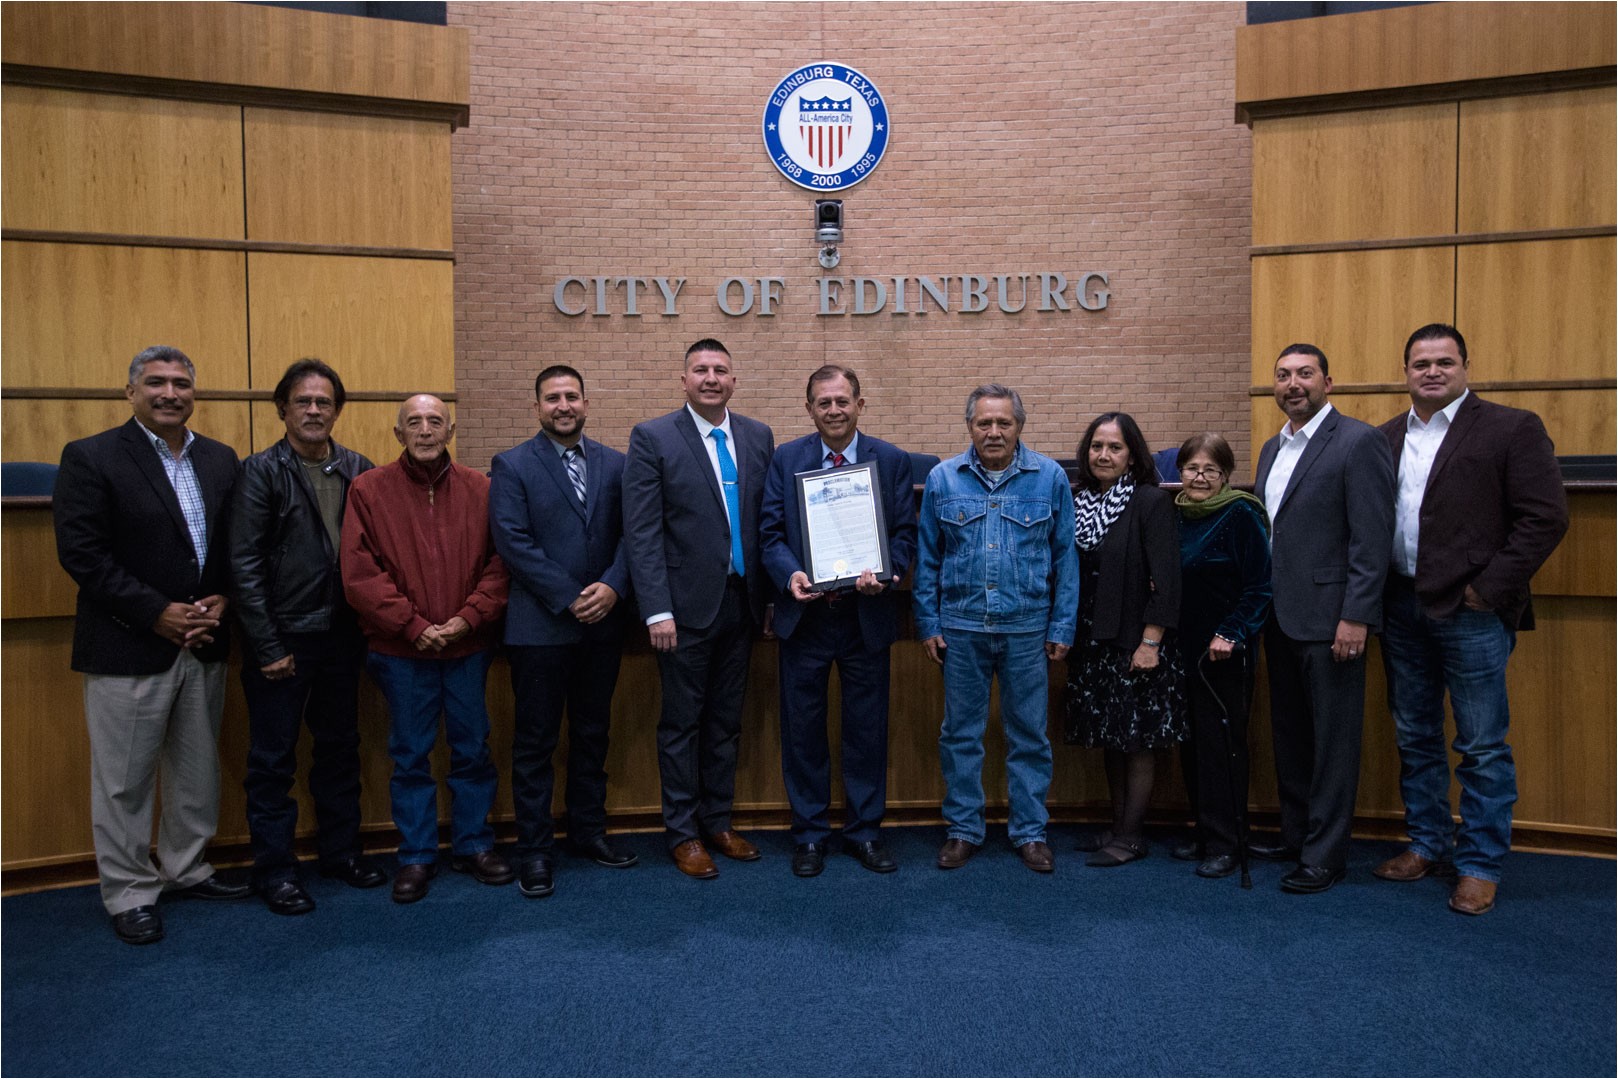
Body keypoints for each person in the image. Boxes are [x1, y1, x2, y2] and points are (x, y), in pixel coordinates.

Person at [53, 345, 250, 945]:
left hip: (204, 640)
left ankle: (187, 868)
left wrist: (223, 598)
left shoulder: (220, 459)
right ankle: (130, 891)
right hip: (127, 645)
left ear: (195, 393)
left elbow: (230, 547)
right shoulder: (91, 457)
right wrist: (155, 612)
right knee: (124, 780)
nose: (170, 393)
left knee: (195, 770)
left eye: (181, 384)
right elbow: (83, 555)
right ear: (131, 391)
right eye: (156, 382)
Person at [1374, 324, 1568, 916]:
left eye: (1444, 362)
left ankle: (1480, 864)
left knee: (1481, 744)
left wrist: (1488, 590)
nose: (1432, 371)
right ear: (1405, 371)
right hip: (1400, 606)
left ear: (1465, 367)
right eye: (1420, 363)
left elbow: (1544, 517)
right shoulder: (1383, 438)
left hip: (1471, 611)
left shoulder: (1511, 428)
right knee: (1415, 734)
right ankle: (1428, 844)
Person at [341, 394, 513, 903]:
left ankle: (474, 844)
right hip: (400, 652)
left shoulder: (483, 489)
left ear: (450, 430)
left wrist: (467, 618)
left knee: (472, 750)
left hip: (468, 647)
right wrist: (412, 625)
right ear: (398, 434)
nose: (424, 430)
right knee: (411, 756)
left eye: (434, 421)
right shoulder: (368, 490)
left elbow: (501, 563)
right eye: (413, 422)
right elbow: (358, 573)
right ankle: (416, 856)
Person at [231, 359, 385, 916]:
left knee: (340, 750)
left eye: (324, 402)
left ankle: (340, 854)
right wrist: (267, 646)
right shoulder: (260, 471)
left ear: (337, 410)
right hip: (284, 640)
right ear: (283, 409)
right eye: (303, 402)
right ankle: (274, 871)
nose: (314, 410)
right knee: (272, 762)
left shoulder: (358, 468)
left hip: (342, 639)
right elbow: (244, 565)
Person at [623, 339, 775, 878]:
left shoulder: (758, 437)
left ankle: (718, 821)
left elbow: (768, 524)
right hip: (682, 612)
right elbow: (641, 533)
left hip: (743, 605)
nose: (711, 378)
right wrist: (655, 609)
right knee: (682, 725)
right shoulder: (653, 437)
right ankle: (683, 833)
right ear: (683, 378)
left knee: (726, 723)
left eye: (721, 370)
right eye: (700, 369)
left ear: (734, 380)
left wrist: (772, 599)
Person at [759, 365, 918, 877]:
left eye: (842, 401)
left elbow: (904, 536)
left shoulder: (890, 460)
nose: (833, 410)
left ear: (859, 405)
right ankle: (808, 835)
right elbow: (770, 534)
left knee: (866, 731)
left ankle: (864, 833)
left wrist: (886, 574)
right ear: (809, 408)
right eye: (823, 402)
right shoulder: (786, 460)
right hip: (805, 618)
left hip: (864, 616)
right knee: (802, 731)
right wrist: (791, 575)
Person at [914, 384, 1079, 873]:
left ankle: (1029, 832)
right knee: (960, 734)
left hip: (1027, 629)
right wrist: (927, 621)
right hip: (961, 629)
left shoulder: (1049, 478)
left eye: (1003, 423)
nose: (993, 431)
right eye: (983, 423)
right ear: (970, 426)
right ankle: (964, 829)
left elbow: (1065, 558)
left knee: (1029, 734)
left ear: (1018, 426)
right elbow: (927, 558)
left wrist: (1063, 624)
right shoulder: (943, 478)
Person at [489, 365, 637, 900]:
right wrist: (571, 595)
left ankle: (589, 833)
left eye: (571, 396)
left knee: (593, 735)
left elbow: (632, 535)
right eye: (552, 398)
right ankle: (534, 850)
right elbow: (512, 541)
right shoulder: (511, 465)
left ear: (586, 403)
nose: (563, 405)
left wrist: (614, 587)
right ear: (537, 408)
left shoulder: (617, 465)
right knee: (535, 743)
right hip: (541, 628)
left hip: (603, 625)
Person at [1253, 343, 1395, 894]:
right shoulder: (1271, 448)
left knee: (1334, 743)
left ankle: (1327, 854)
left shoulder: (1359, 442)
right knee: (1291, 736)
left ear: (1328, 383)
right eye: (1283, 374)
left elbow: (1371, 538)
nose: (1293, 384)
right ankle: (1297, 835)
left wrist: (1357, 616)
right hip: (1280, 616)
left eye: (1305, 374)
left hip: (1333, 619)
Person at [1064, 413, 1184, 868]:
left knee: (1137, 742)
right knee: (1112, 737)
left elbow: (1168, 581)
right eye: (1097, 446)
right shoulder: (1078, 502)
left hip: (1137, 643)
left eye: (1115, 447)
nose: (1104, 455)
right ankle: (1117, 826)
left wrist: (1150, 642)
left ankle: (1132, 836)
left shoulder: (1151, 502)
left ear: (1132, 454)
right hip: (1094, 641)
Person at [1173, 433, 1272, 880]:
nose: (1199, 477)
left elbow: (1260, 586)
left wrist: (1231, 632)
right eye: (1192, 468)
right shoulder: (1175, 515)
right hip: (1182, 646)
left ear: (1226, 476)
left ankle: (1227, 841)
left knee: (1220, 746)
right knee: (1191, 744)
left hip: (1225, 649)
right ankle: (1204, 829)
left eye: (1210, 470)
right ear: (1179, 473)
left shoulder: (1240, 515)